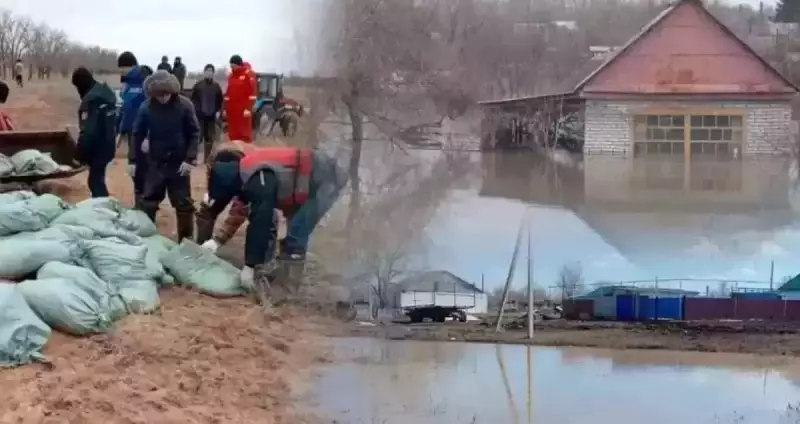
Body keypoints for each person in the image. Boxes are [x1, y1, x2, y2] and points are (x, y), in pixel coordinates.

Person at [196, 141, 348, 302]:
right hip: (307, 181)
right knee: (292, 234)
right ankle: (282, 277)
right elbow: (246, 209)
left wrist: (250, 265)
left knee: (296, 235)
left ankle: (287, 291)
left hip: (326, 180)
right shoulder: (246, 172)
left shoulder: (258, 177)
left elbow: (261, 221)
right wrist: (218, 241)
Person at [132, 70, 199, 240]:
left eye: (166, 94)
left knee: (183, 205)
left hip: (179, 163)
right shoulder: (146, 107)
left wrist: (190, 159)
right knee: (148, 202)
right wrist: (133, 159)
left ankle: (185, 241)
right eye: (159, 95)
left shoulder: (185, 106)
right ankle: (147, 238)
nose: (163, 98)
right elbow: (136, 133)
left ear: (172, 91)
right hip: (155, 162)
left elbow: (194, 133)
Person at [71, 67, 118, 198]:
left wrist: (78, 155)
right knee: (98, 179)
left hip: (98, 149)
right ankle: (101, 207)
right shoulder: (107, 93)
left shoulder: (91, 101)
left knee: (95, 182)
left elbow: (88, 132)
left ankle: (103, 211)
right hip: (109, 144)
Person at [116, 51, 148, 205]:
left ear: (131, 66)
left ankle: (146, 201)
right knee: (133, 168)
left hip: (143, 132)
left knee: (142, 168)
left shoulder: (144, 80)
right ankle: (140, 200)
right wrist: (121, 131)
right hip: (131, 132)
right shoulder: (126, 83)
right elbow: (125, 109)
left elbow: (151, 109)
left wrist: (148, 135)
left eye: (122, 68)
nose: (120, 71)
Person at [190, 64, 224, 162]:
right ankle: (193, 158)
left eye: (211, 71)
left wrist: (218, 111)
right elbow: (193, 100)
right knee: (198, 138)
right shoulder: (198, 85)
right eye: (207, 71)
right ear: (204, 72)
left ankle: (207, 159)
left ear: (213, 73)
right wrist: (196, 111)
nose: (209, 73)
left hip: (211, 116)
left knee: (210, 139)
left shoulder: (216, 86)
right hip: (200, 116)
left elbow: (220, 100)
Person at [224, 55, 256, 143]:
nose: (232, 68)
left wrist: (248, 109)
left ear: (239, 65)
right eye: (231, 66)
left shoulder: (248, 74)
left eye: (233, 66)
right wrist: (226, 108)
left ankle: (245, 153)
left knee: (243, 134)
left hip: (243, 111)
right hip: (233, 111)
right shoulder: (231, 76)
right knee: (233, 135)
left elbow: (252, 94)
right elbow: (228, 94)